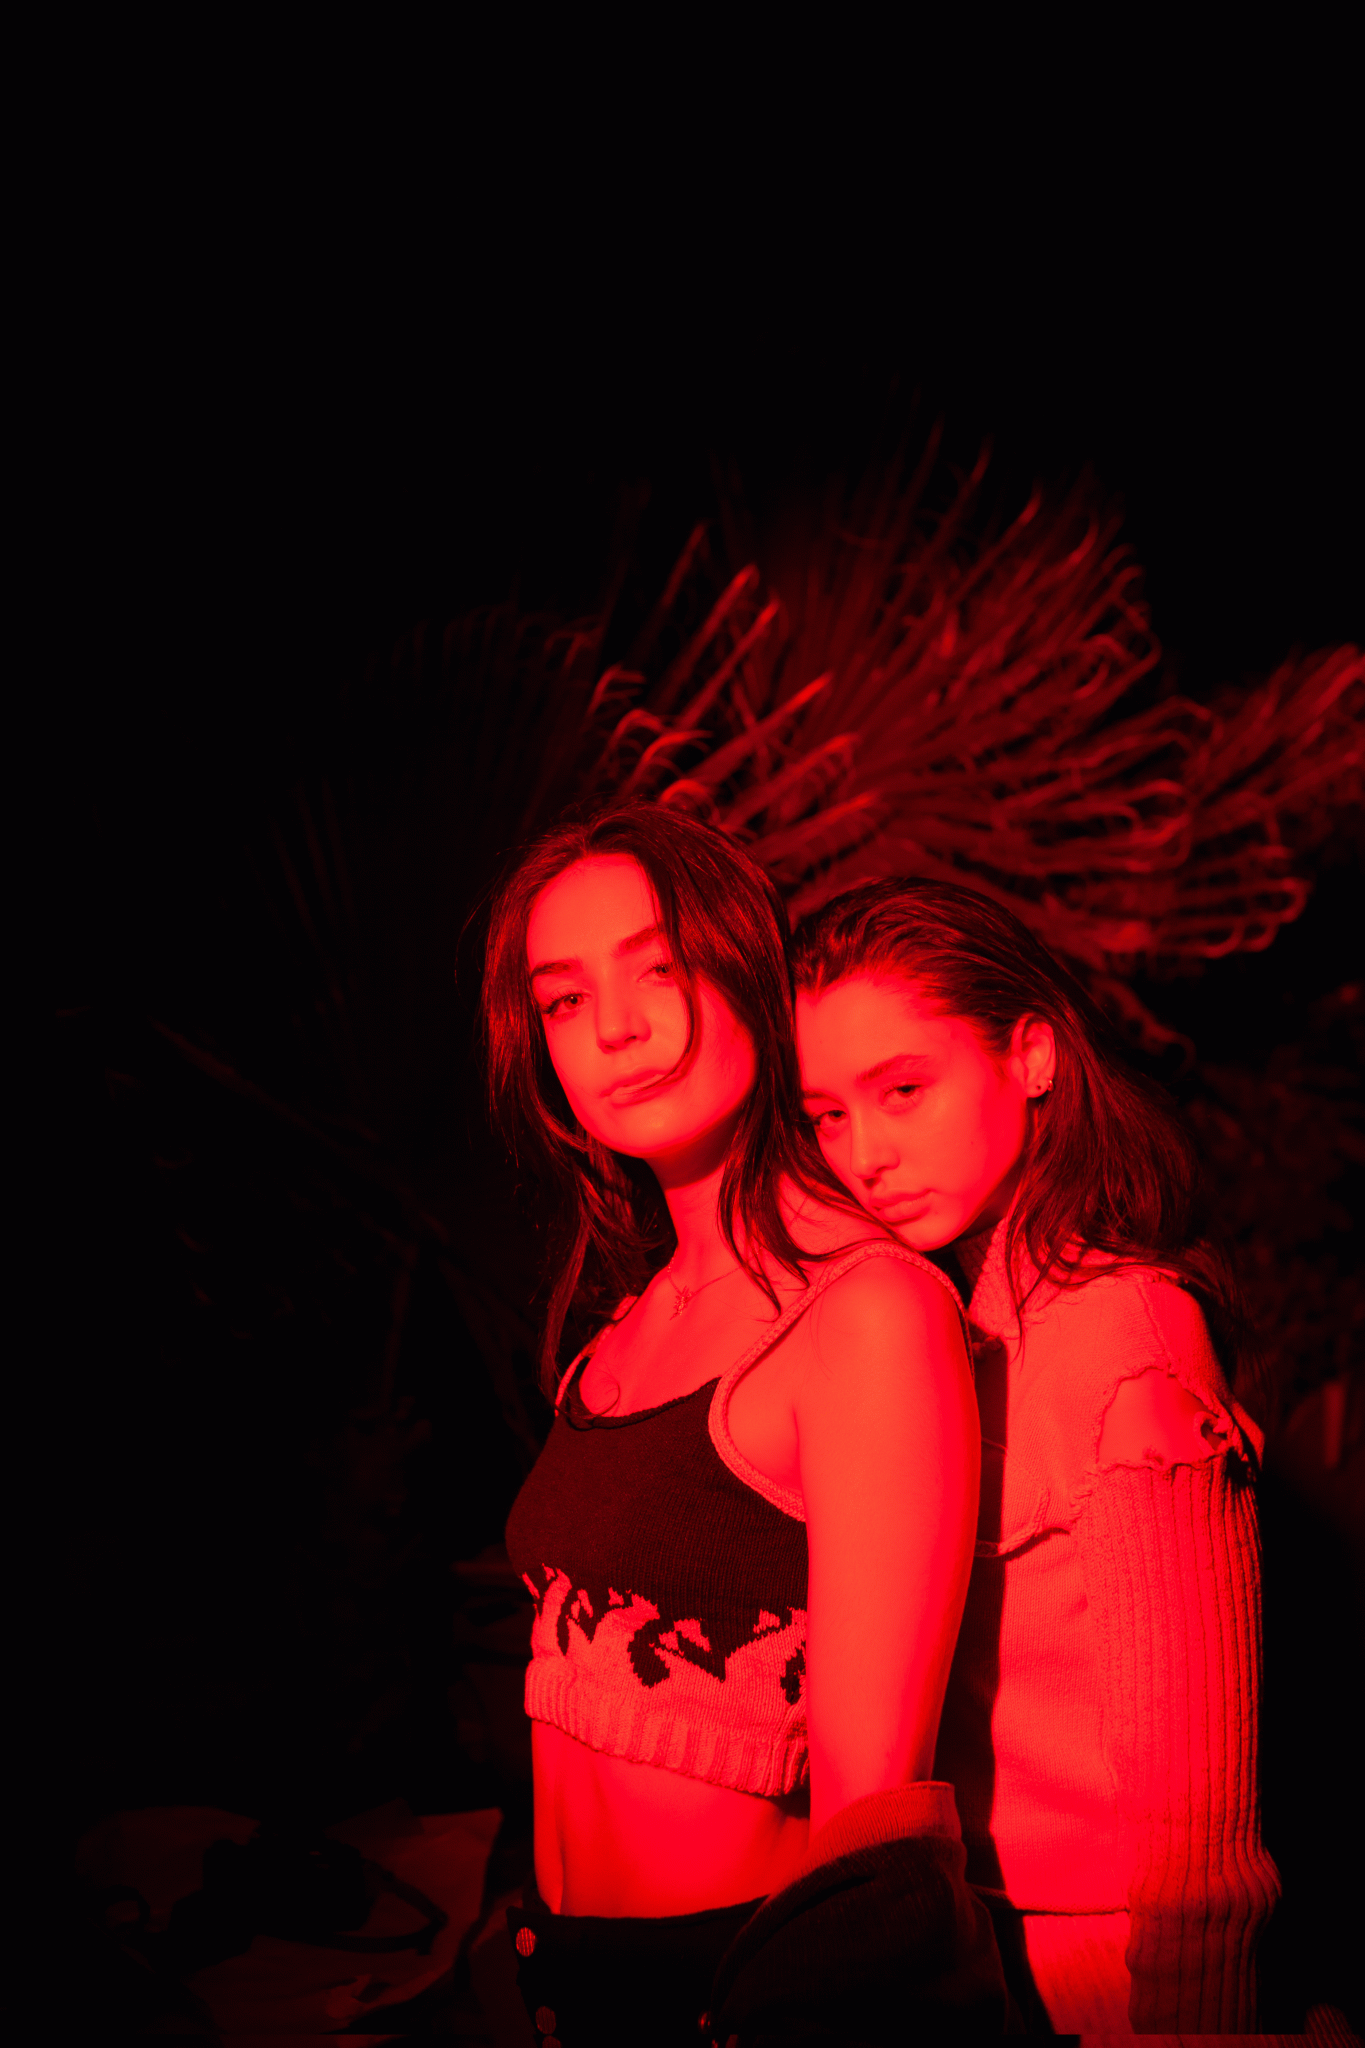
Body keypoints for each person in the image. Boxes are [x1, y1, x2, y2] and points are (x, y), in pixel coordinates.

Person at [481, 804, 1009, 2046]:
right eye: (564, 999)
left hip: (741, 1991)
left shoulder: (865, 1311)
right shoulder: (620, 1327)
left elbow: (874, 1842)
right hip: (563, 1975)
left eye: (659, 968)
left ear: (747, 971)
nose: (615, 1028)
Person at [791, 877, 1282, 2035]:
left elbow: (1201, 1839)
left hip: (1109, 1978)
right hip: (968, 1959)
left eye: (903, 1089)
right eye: (825, 1115)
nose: (866, 1153)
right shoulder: (947, 1328)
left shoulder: (1125, 1335)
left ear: (1034, 1056)